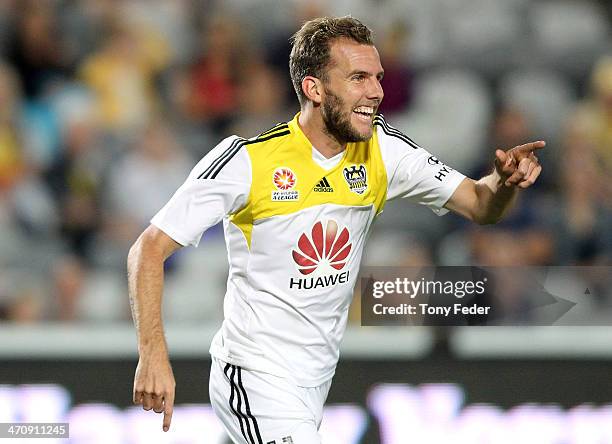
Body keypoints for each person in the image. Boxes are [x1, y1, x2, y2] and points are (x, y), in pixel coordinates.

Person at [128, 16, 544, 443]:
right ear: (314, 89)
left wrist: (503, 183)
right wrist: (152, 354)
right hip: (254, 375)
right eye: (359, 78)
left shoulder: (382, 149)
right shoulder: (247, 161)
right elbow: (148, 249)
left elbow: (479, 204)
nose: (377, 92)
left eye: (378, 77)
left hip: (314, 381)